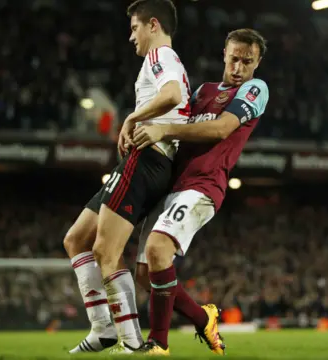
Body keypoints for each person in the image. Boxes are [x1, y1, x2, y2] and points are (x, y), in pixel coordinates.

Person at [130, 28, 270, 355]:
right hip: (172, 184)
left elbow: (221, 129)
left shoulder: (255, 89)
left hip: (204, 186)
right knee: (144, 275)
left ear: (257, 63)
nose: (238, 67)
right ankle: (202, 318)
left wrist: (163, 128)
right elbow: (179, 130)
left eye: (247, 62)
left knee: (158, 247)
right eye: (234, 59)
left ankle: (158, 343)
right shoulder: (203, 91)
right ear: (224, 54)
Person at [63, 0, 191, 353]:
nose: (131, 36)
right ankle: (102, 328)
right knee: (76, 239)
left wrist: (133, 118)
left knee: (106, 249)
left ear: (153, 25)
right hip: (145, 162)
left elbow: (172, 95)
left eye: (134, 28)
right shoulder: (167, 61)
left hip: (148, 159)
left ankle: (132, 343)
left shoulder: (160, 56)